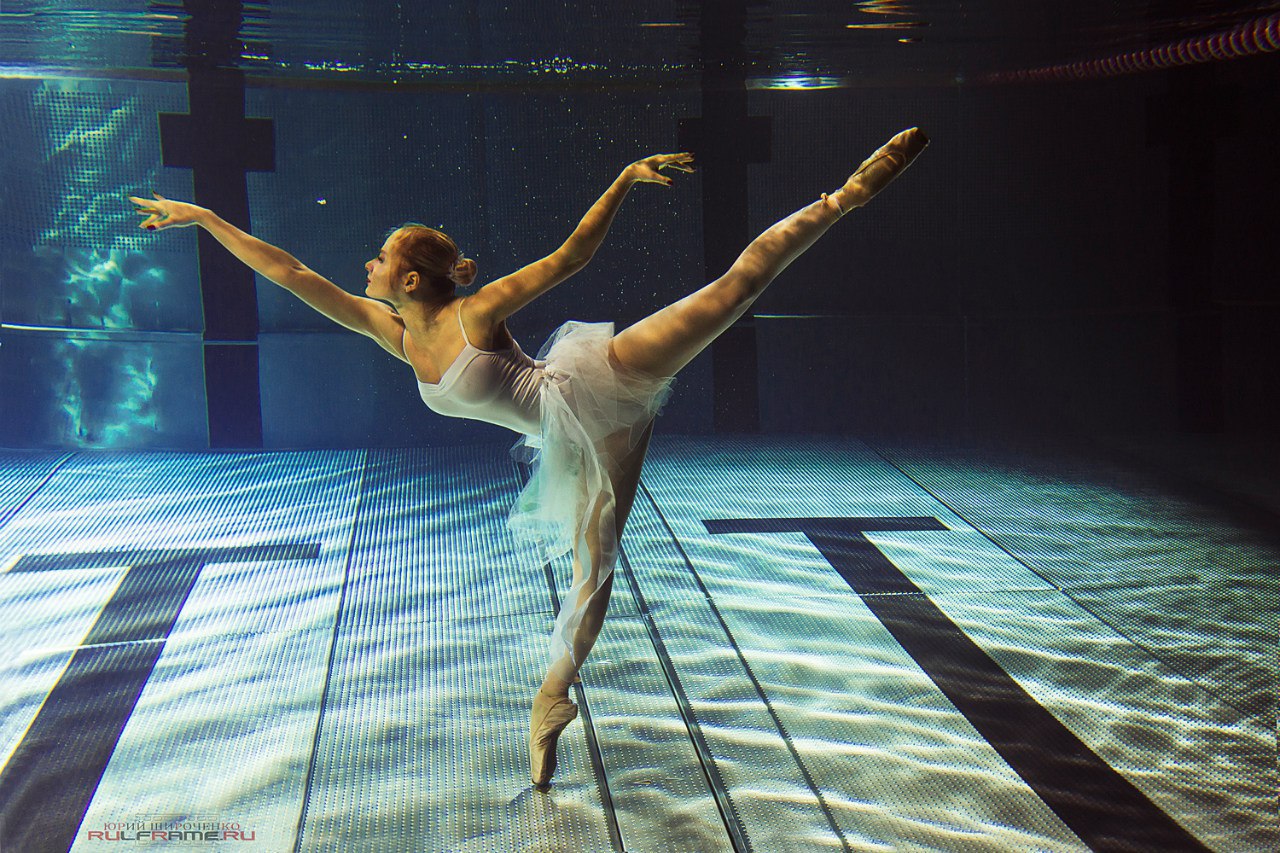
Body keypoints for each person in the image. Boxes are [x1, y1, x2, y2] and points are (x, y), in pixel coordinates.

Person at [128, 126, 928, 789]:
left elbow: (572, 257)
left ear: (410, 276)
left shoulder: (475, 313)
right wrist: (203, 216)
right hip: (571, 438)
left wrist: (620, 179)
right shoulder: (395, 331)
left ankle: (844, 196)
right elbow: (289, 272)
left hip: (597, 381)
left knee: (734, 287)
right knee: (594, 565)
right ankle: (553, 697)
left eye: (378, 259)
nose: (365, 267)